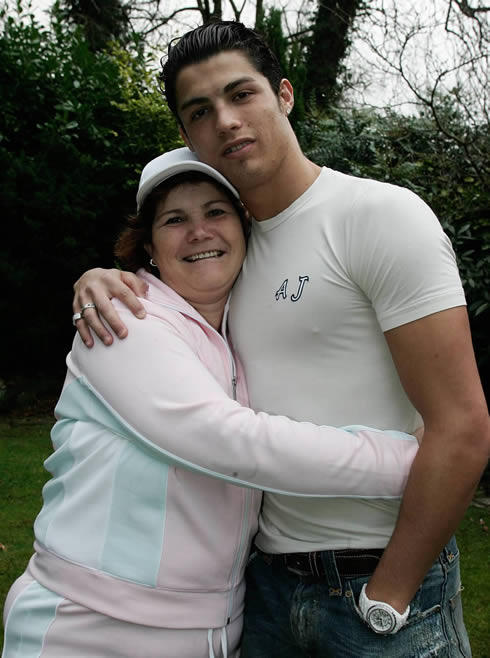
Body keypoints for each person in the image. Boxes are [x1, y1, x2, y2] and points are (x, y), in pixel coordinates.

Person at [71, 22, 490, 657]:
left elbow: (462, 426)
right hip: (264, 591)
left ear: (284, 95)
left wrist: (390, 593)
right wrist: (100, 277)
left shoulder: (379, 217)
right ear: (187, 136)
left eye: (242, 94)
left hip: (382, 584)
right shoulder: (229, 248)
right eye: (201, 111)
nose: (228, 121)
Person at [2, 148, 421, 658]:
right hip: (88, 629)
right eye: (175, 219)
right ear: (150, 248)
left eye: (216, 212)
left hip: (211, 632)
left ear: (243, 230)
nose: (199, 231)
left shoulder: (237, 333)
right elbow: (232, 442)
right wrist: (418, 461)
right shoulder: (124, 320)